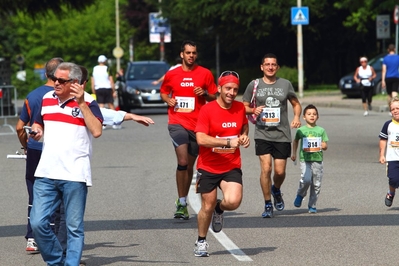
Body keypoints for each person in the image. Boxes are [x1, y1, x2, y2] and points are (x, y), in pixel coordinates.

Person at [29, 62, 103, 266]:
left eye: (61, 81)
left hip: (75, 175)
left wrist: (80, 103)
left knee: (74, 228)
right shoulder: (46, 99)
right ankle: (56, 261)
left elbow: (97, 131)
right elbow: (39, 123)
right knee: (37, 222)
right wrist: (37, 131)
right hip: (46, 172)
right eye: (54, 79)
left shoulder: (89, 102)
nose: (55, 83)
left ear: (75, 83)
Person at [193, 71, 249, 257]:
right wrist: (227, 142)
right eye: (228, 88)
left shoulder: (240, 108)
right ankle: (201, 241)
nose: (231, 93)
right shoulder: (207, 110)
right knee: (206, 206)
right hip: (208, 166)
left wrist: (244, 136)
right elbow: (201, 139)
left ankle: (220, 208)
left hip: (231, 164)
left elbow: (244, 125)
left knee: (233, 201)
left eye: (235, 89)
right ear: (219, 88)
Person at [160, 40, 217, 220]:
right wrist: (167, 100)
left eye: (194, 53)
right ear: (181, 54)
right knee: (182, 160)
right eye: (188, 53)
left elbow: (215, 95)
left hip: (198, 124)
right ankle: (182, 201)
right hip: (177, 122)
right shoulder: (172, 74)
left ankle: (182, 200)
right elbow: (164, 91)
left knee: (190, 165)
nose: (191, 55)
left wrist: (205, 94)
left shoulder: (205, 73)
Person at [242, 53, 302, 218]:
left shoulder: (285, 84)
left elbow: (296, 104)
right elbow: (244, 106)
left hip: (282, 134)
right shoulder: (254, 85)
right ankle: (268, 203)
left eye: (273, 64)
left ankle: (276, 189)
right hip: (262, 133)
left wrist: (296, 116)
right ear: (262, 67)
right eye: (267, 64)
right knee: (266, 168)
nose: (270, 67)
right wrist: (253, 110)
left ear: (277, 67)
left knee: (280, 172)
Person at [15, 57, 64, 253]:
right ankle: (53, 238)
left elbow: (20, 127)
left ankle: (32, 239)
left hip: (35, 149)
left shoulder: (33, 95)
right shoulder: (62, 95)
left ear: (46, 74)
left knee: (34, 192)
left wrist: (26, 145)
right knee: (57, 194)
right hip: (56, 150)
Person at [291, 104, 329, 213]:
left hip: (317, 159)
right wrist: (294, 153)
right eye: (309, 114)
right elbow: (295, 141)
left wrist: (323, 146)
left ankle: (312, 205)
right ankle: (300, 194)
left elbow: (325, 145)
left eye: (314, 114)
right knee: (306, 179)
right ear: (304, 117)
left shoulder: (321, 130)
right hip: (305, 159)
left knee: (316, 184)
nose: (312, 116)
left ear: (317, 117)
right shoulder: (301, 130)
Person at [379, 96, 399, 208]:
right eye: (393, 109)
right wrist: (382, 155)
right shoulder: (388, 125)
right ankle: (391, 193)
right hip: (392, 158)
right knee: (394, 179)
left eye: (398, 108)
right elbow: (383, 140)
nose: (395, 111)